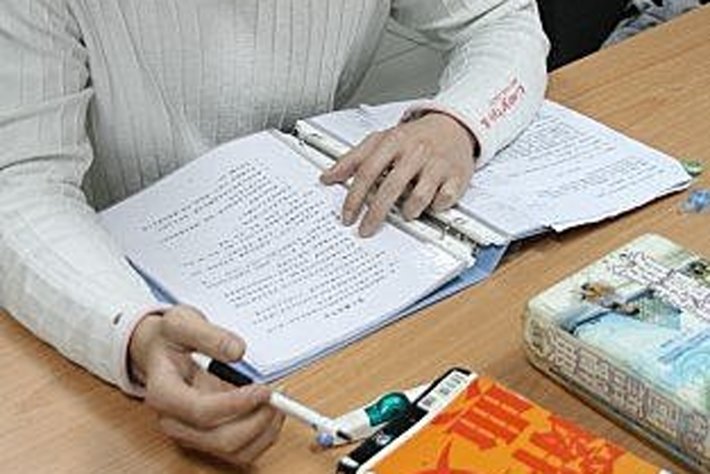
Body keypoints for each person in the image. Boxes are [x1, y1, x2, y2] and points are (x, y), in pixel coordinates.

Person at [0, 0, 548, 468]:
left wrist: (457, 121)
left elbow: (502, 19)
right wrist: (134, 333)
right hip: (115, 277)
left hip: (319, 253)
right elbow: (20, 184)